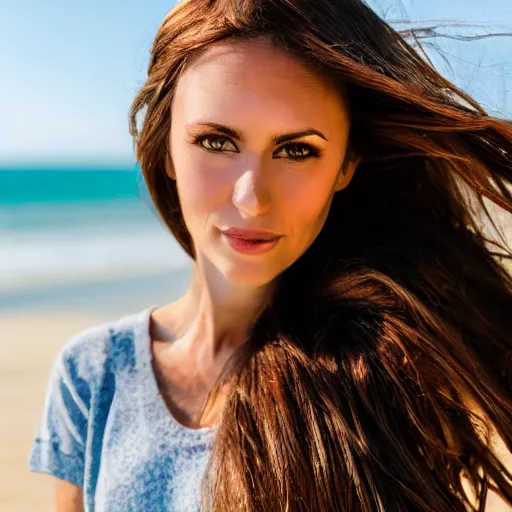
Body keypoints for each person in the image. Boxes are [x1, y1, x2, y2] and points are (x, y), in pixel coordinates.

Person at [28, 0, 512, 510]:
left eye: (297, 150)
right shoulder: (91, 373)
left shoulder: (389, 376)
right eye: (216, 141)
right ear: (166, 145)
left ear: (346, 165)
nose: (251, 198)